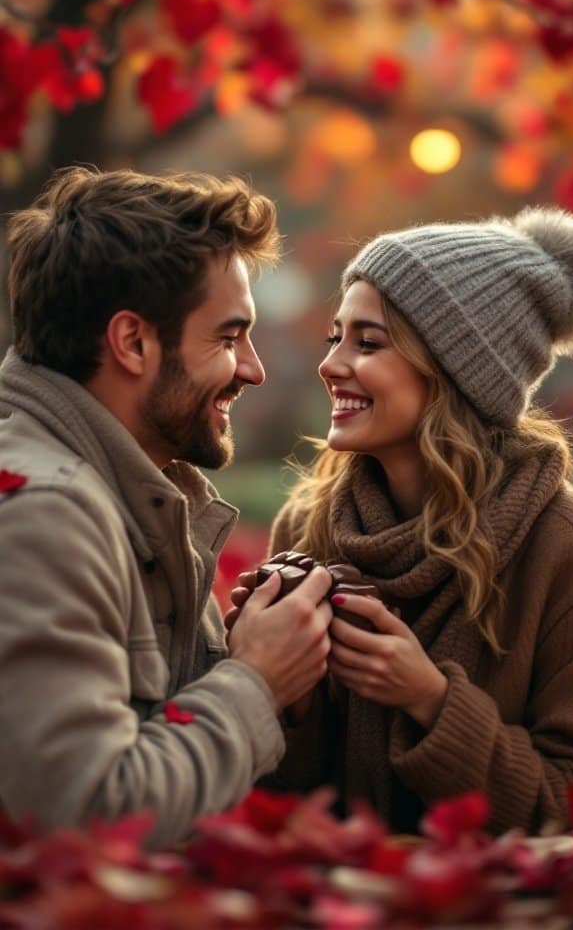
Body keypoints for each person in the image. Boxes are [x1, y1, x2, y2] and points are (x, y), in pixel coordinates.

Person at [0, 166, 332, 849]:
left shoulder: (144, 495)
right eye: (227, 336)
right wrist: (254, 681)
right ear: (132, 342)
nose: (253, 369)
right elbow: (85, 818)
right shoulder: (46, 515)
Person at [246, 206, 573, 836]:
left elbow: (564, 804)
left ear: (457, 374)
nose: (332, 363)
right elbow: (280, 800)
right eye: (335, 337)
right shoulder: (307, 525)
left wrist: (429, 699)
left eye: (368, 342)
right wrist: (278, 684)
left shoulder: (559, 547)